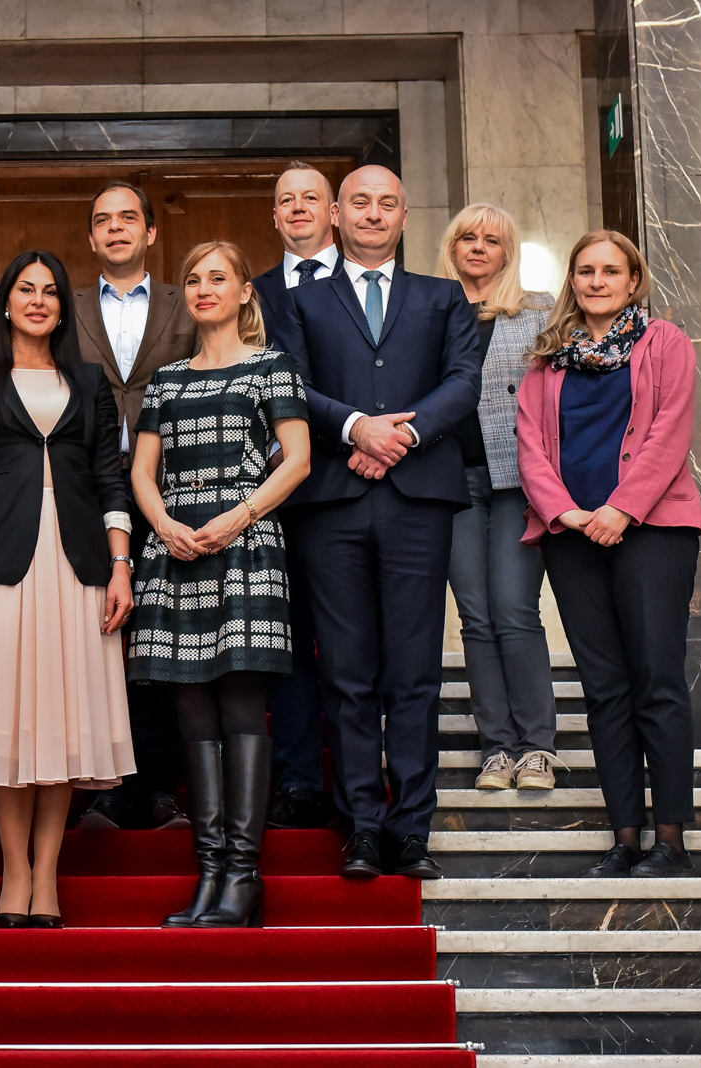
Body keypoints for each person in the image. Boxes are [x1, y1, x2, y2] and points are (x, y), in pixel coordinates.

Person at [272, 165, 483, 882]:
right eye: (359, 202)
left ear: (404, 216)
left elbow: (463, 382)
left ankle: (411, 829)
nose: (372, 213)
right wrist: (355, 428)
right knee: (348, 672)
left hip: (418, 502)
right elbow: (289, 382)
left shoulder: (443, 297)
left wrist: (401, 436)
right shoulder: (299, 301)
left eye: (386, 203)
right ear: (336, 214)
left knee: (415, 672)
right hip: (331, 502)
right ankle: (362, 825)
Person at [0, 250, 135, 927]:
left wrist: (121, 566)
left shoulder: (90, 380)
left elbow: (110, 480)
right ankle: (13, 871)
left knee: (62, 724)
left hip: (78, 565)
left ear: (63, 306)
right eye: (26, 289)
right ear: (6, 302)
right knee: (8, 722)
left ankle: (46, 874)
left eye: (51, 291)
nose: (39, 300)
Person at [130, 241, 311, 930]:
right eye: (193, 279)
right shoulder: (167, 379)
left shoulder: (271, 365)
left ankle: (243, 875)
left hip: (246, 542)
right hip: (176, 546)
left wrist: (240, 515)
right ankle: (209, 874)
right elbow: (142, 471)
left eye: (217, 278)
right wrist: (163, 524)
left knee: (240, 707)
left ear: (244, 292)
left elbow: (298, 461)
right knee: (192, 716)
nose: (203, 288)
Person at [516, 230, 701, 878]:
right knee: (603, 688)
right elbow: (530, 447)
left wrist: (622, 508)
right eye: (585, 271)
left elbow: (670, 431)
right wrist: (565, 512)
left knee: (657, 679)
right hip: (572, 537)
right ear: (573, 281)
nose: (597, 281)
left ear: (632, 281)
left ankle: (670, 842)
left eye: (610, 271)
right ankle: (625, 837)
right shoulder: (547, 361)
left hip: (653, 531)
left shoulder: (666, 343)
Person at [71, 180, 196, 832]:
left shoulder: (187, 303)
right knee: (93, 637)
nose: (115, 227)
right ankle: (101, 786)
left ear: (150, 232)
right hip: (83, 491)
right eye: (103, 220)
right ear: (91, 237)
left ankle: (157, 786)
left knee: (159, 639)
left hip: (168, 490)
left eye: (128, 218)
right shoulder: (62, 305)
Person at [434, 204, 561, 792]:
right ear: (452, 246)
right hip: (451, 481)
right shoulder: (428, 310)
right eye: (468, 237)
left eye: (492, 239)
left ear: (508, 251)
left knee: (513, 610)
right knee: (476, 617)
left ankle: (537, 749)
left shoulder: (539, 312)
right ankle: (497, 750)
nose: (478, 247)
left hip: (518, 480)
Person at [251, 160, 342, 831]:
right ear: (275, 215)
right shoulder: (251, 294)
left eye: (313, 197)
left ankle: (361, 781)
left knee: (354, 646)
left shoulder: (371, 287)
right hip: (275, 495)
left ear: (333, 212)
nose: (300, 208)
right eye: (288, 200)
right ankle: (300, 780)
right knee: (287, 643)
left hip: (354, 486)